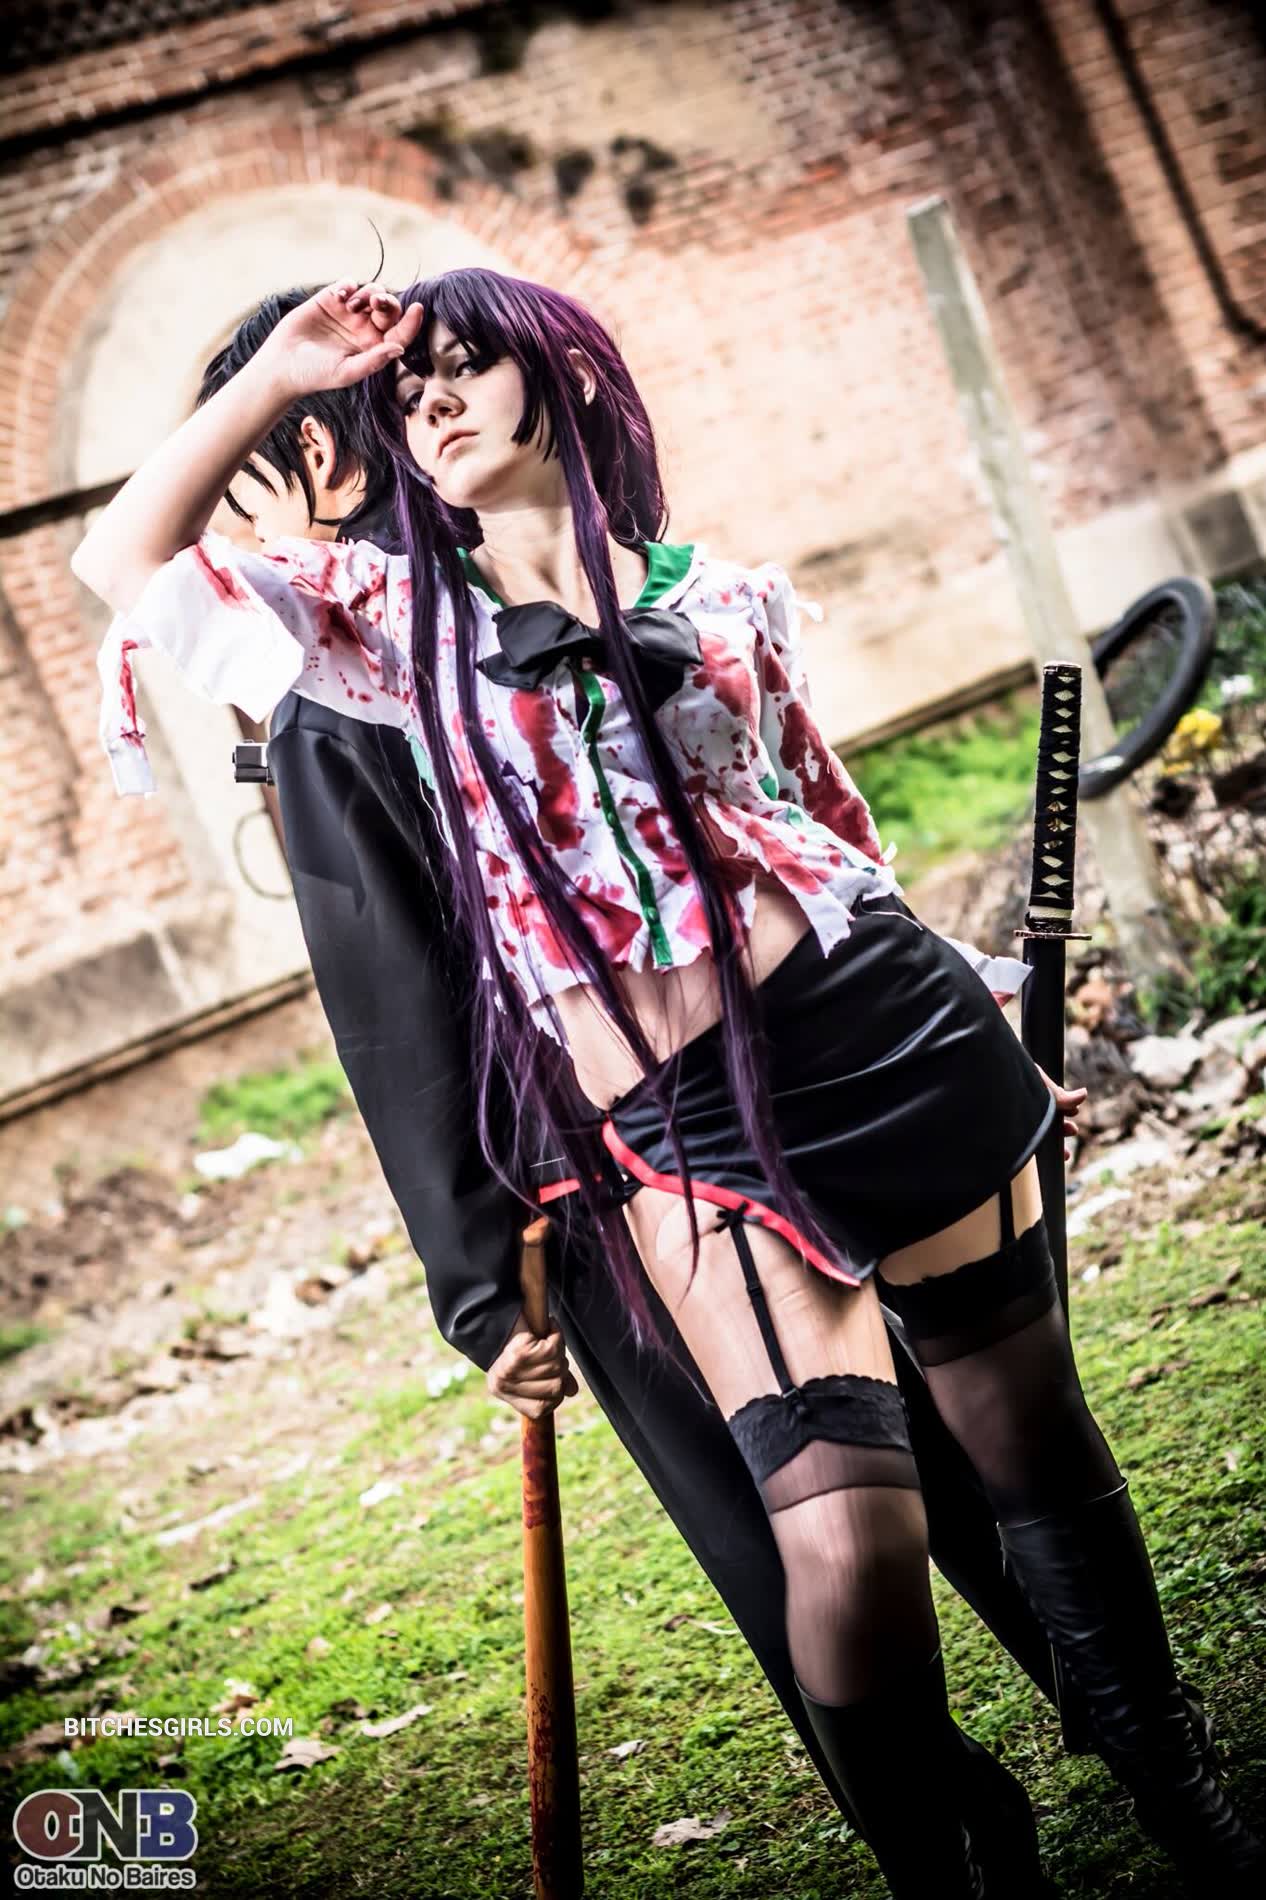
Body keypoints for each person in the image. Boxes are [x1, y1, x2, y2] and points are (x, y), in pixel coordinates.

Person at [74, 271, 1261, 1898]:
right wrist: (278, 376)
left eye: (465, 367)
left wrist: (972, 990)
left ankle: (1179, 1795)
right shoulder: (382, 624)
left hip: (890, 1035)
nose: (431, 402)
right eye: (406, 392)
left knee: (1027, 1435)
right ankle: (948, 1873)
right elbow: (122, 563)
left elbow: (820, 826)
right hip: (691, 1129)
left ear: (563, 379)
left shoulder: (727, 599)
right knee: (843, 1532)